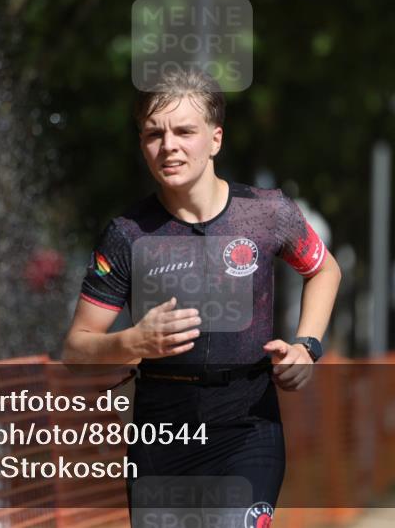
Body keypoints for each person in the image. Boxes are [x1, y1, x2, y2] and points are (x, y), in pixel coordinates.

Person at [61, 69, 342, 524]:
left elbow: (325, 269)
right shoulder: (127, 234)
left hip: (247, 426)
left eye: (184, 131)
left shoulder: (267, 213)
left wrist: (306, 347)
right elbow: (77, 348)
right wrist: (133, 342)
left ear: (215, 139)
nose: (168, 145)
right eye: (153, 133)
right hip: (161, 434)